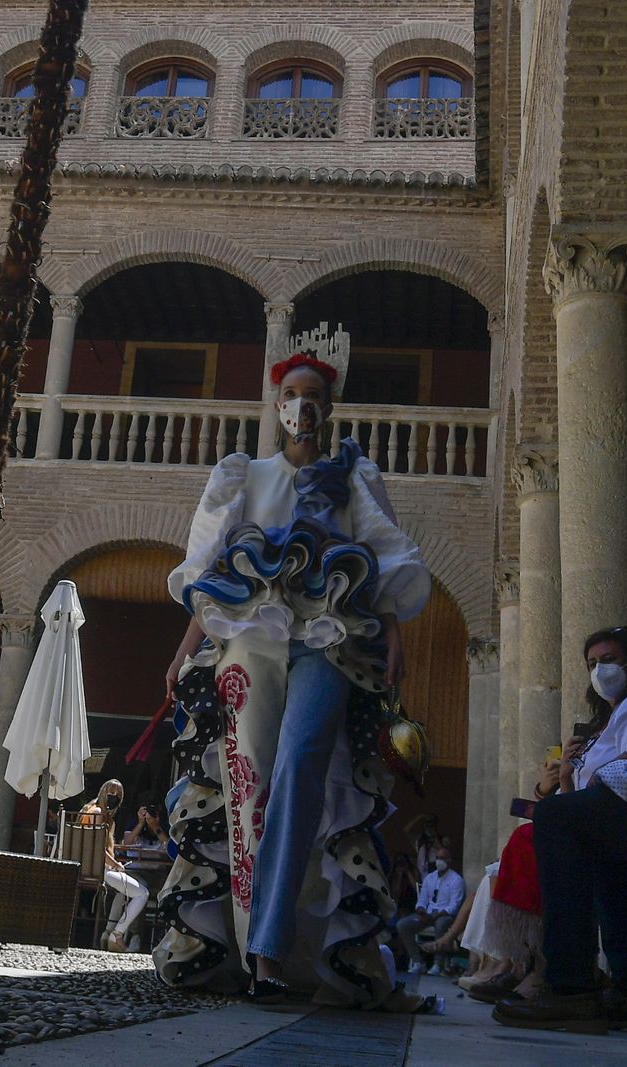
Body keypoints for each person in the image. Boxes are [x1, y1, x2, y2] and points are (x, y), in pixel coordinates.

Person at [154, 347, 432, 1010]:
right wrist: (184, 650)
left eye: (314, 395)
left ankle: (272, 948)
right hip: (249, 640)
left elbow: (381, 555)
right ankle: (253, 949)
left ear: (328, 407)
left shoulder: (353, 476)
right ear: (277, 406)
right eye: (291, 395)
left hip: (330, 642)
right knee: (246, 781)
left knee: (303, 765)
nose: (302, 406)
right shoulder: (244, 475)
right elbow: (210, 570)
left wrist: (393, 635)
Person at [494, 622, 627, 1033]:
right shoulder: (604, 722)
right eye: (592, 663)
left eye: (609, 659)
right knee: (597, 855)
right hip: (621, 812)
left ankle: (568, 985)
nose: (600, 670)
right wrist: (565, 776)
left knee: (554, 818)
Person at [79, 778, 149, 953]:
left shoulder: (93, 811)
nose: (114, 796)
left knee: (123, 891)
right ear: (103, 792)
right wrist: (116, 864)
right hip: (97, 868)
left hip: (90, 866)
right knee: (142, 893)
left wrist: (114, 862)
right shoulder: (98, 813)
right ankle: (117, 935)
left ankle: (108, 932)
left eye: (118, 795)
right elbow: (96, 848)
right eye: (111, 792)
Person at [395, 845, 464, 974]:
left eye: (442, 858)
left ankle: (438, 964)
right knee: (402, 925)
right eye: (437, 858)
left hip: (444, 915)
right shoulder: (429, 878)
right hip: (428, 914)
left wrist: (435, 916)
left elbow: (454, 906)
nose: (439, 861)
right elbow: (422, 900)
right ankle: (418, 961)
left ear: (449, 860)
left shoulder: (456, 880)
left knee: (441, 924)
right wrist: (421, 910)